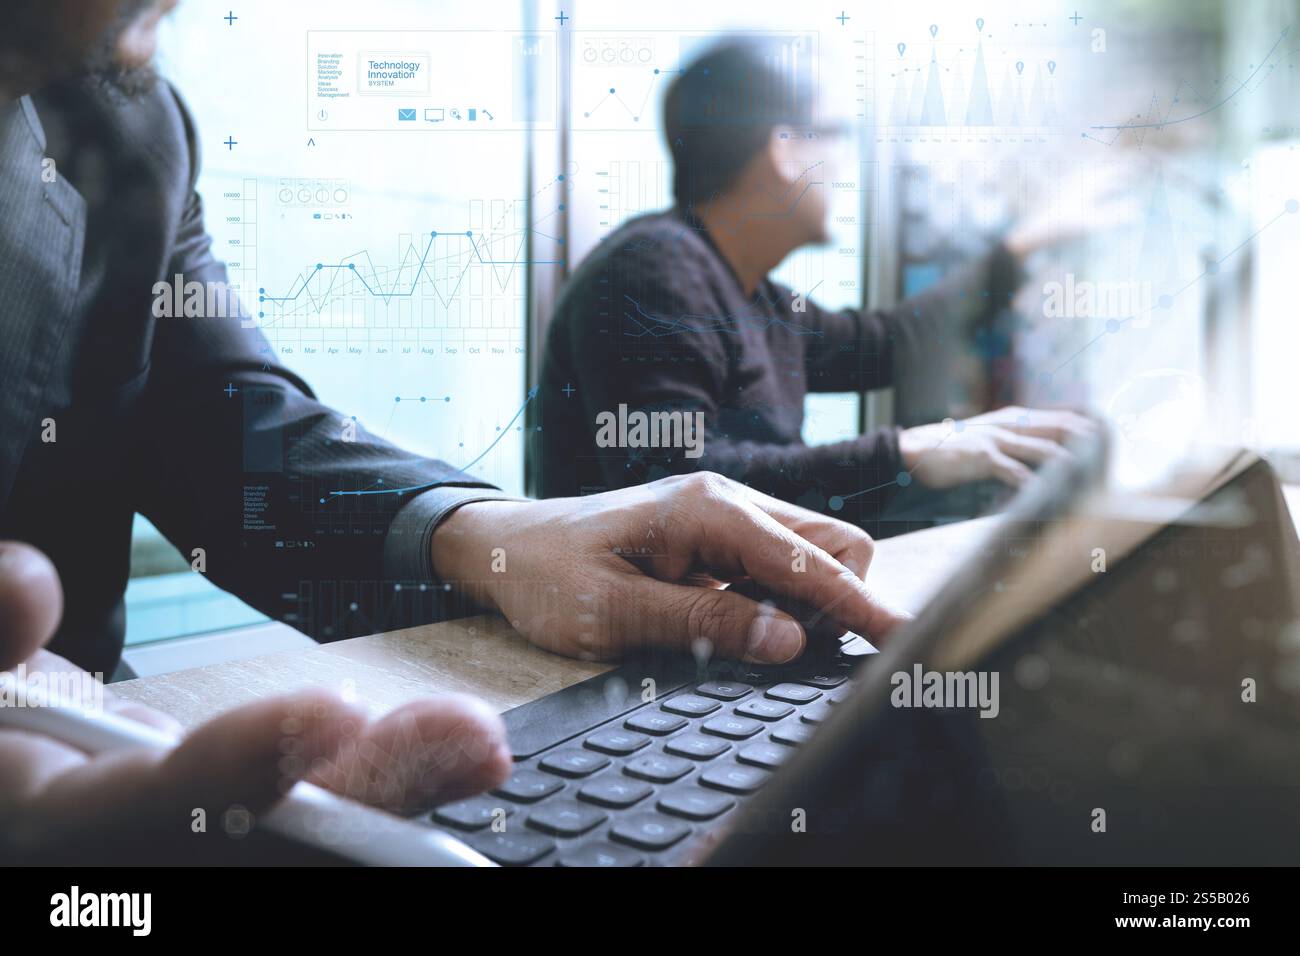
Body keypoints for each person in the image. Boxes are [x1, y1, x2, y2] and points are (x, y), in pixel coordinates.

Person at [0, 2, 904, 862]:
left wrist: (480, 533)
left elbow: (216, 417)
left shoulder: (129, 125)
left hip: (87, 741)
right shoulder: (661, 267)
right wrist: (907, 454)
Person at [540, 38, 1096, 522]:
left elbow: (889, 343)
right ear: (786, 151)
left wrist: (1023, 246)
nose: (845, 165)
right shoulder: (652, 271)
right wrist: (903, 454)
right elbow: (680, 481)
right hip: (630, 635)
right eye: (835, 135)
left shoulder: (751, 294)